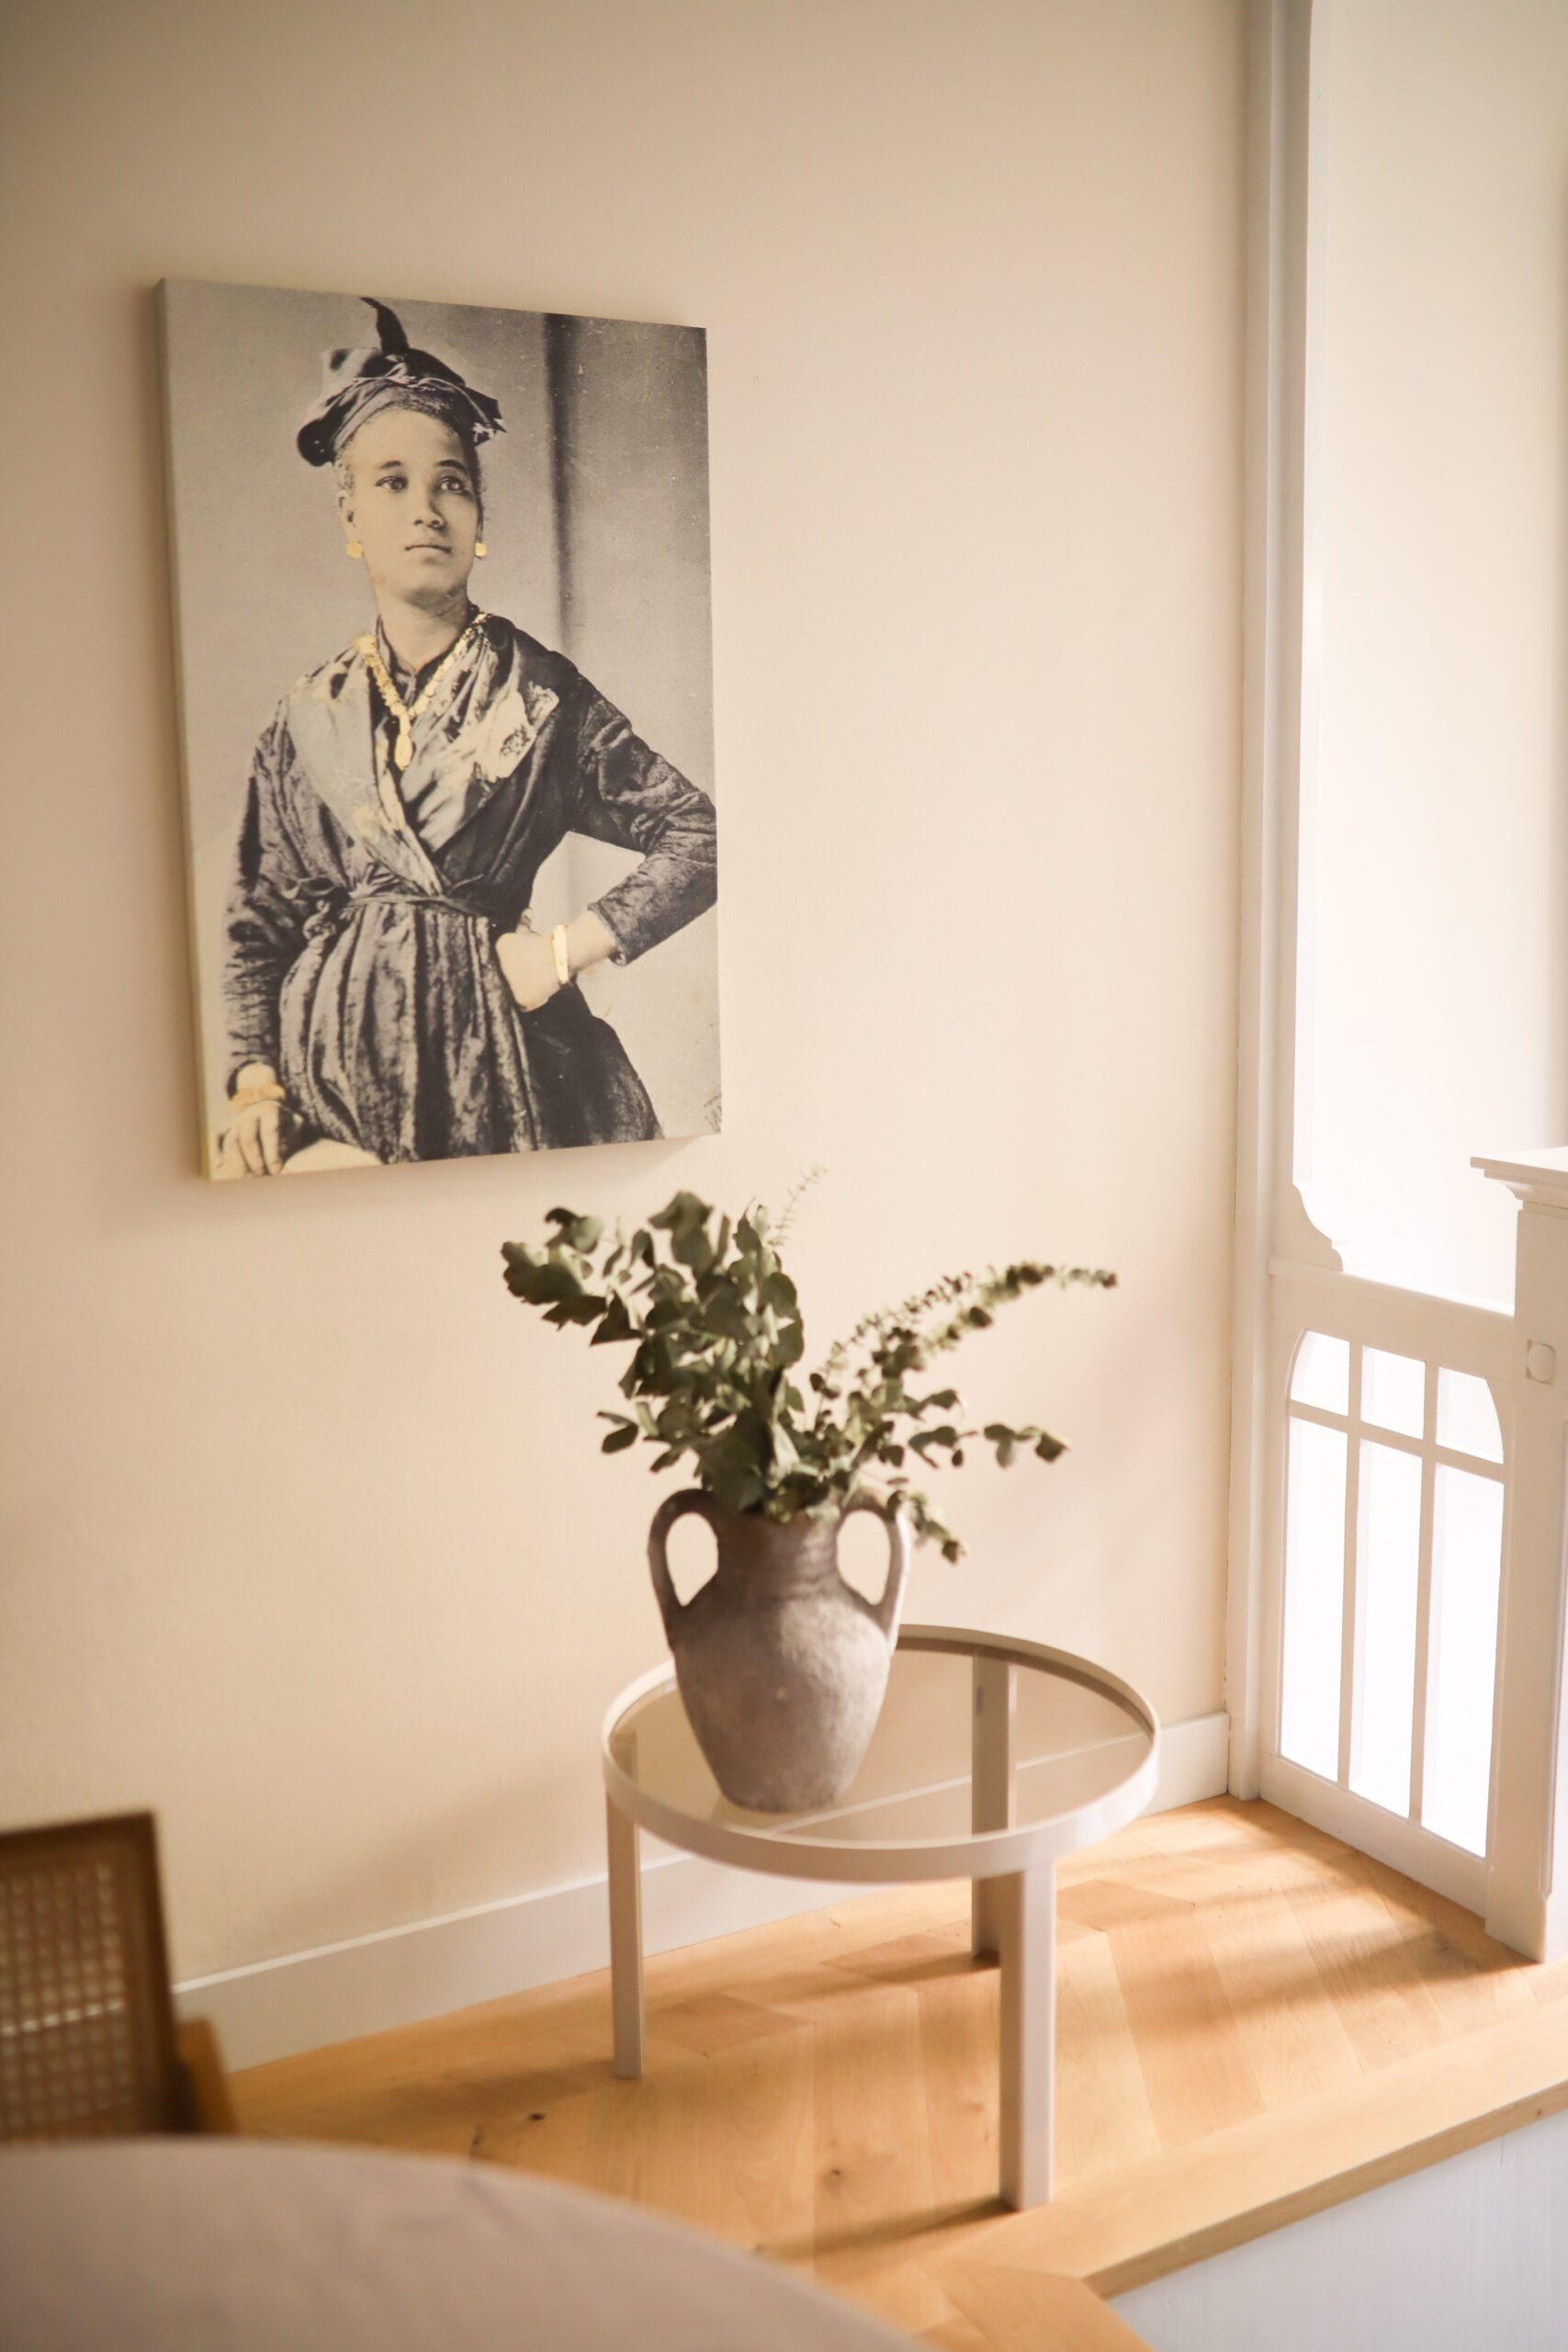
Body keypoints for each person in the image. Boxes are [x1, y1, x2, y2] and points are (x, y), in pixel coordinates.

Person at [219, 298, 717, 1176]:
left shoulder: (541, 695)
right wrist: (256, 1081)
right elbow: (258, 928)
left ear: (479, 520)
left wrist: (564, 950)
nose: (426, 509)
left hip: (494, 1070)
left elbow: (700, 836)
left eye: (450, 483)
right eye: (391, 483)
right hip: (329, 1098)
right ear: (349, 522)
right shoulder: (304, 720)